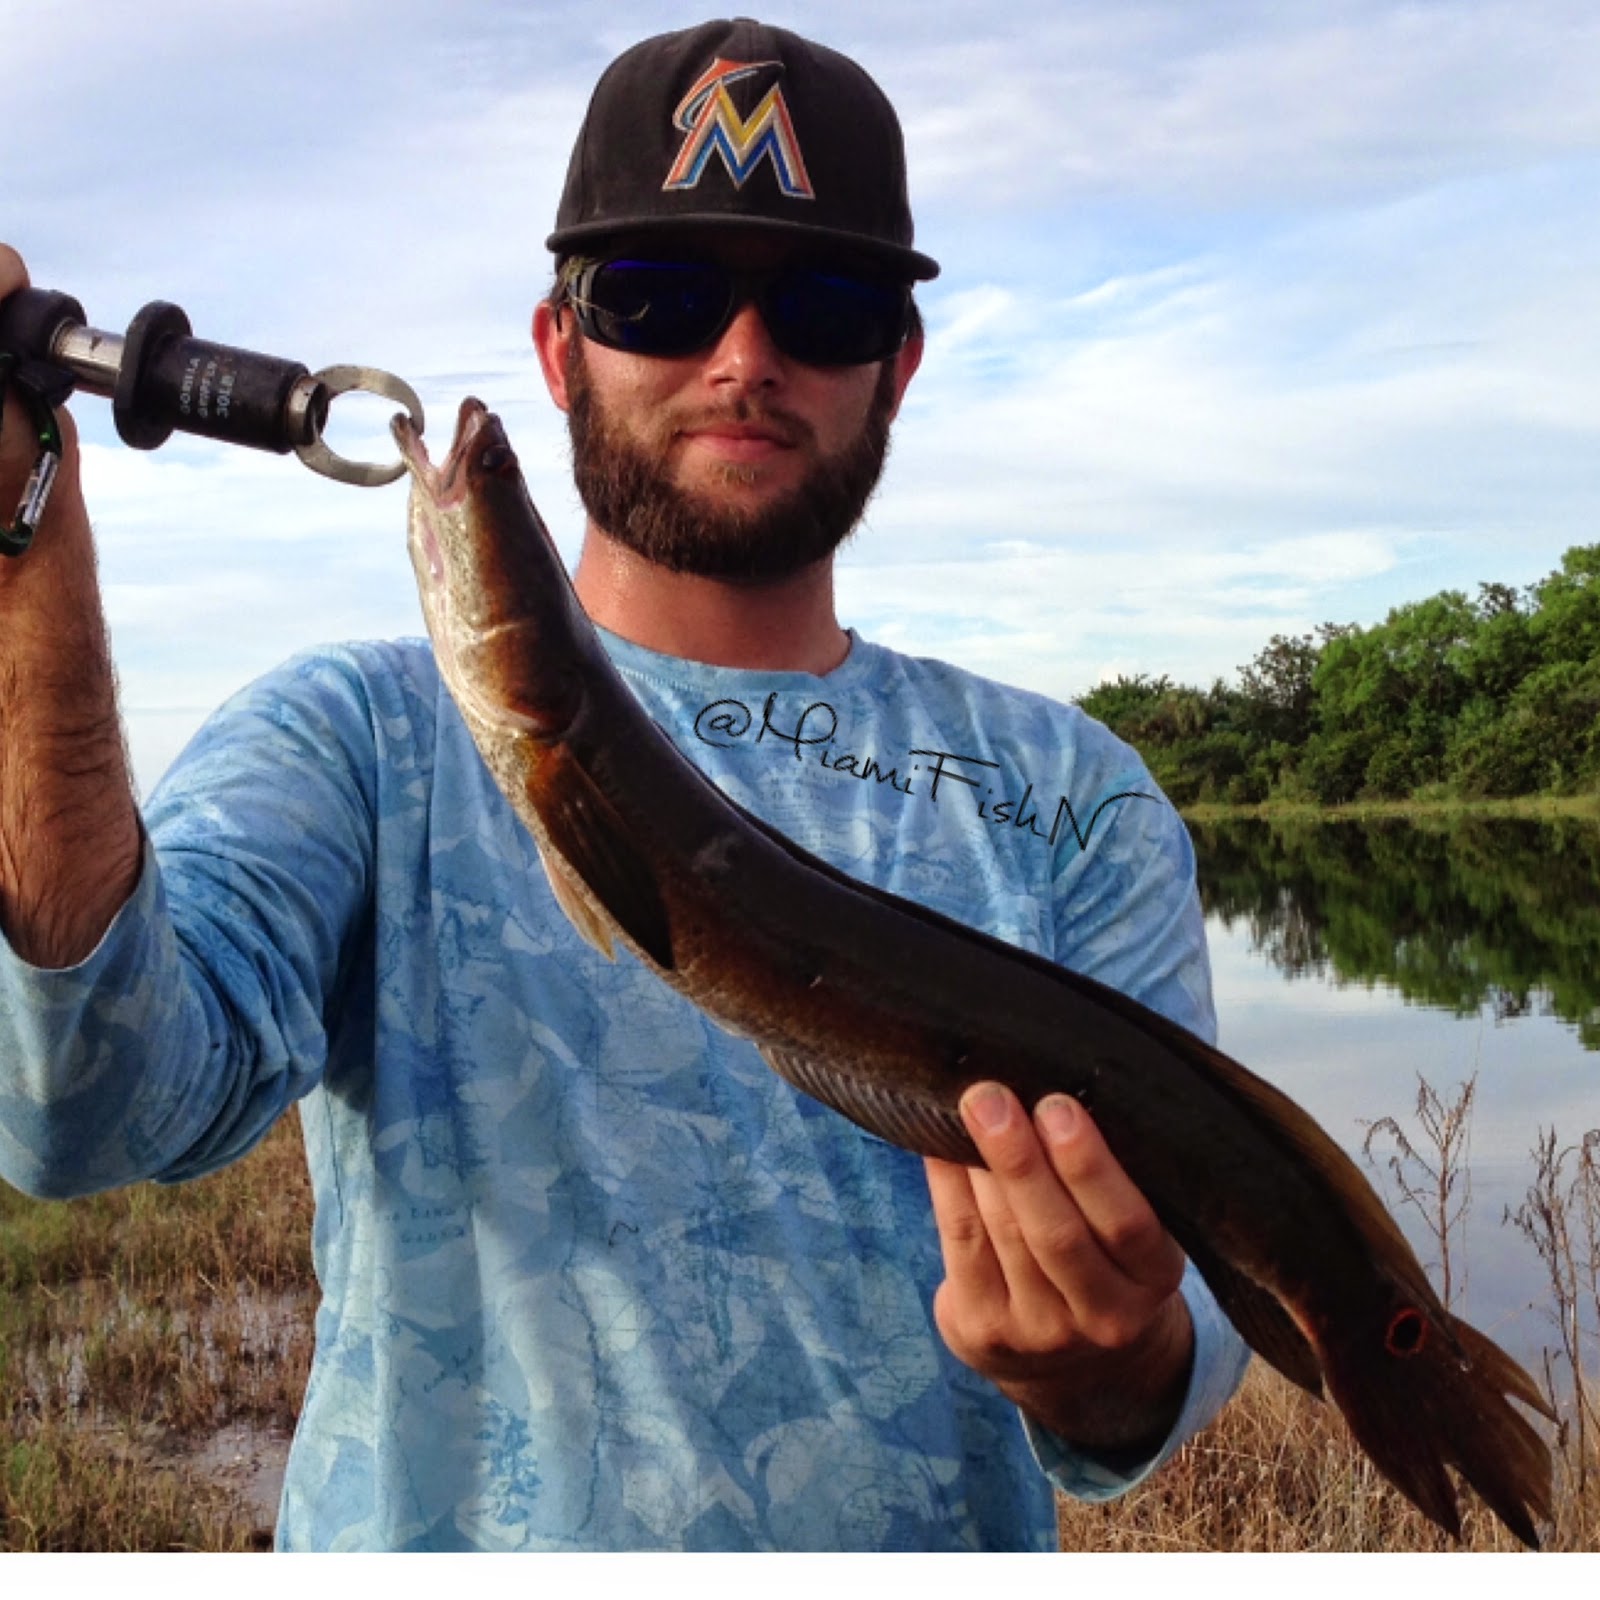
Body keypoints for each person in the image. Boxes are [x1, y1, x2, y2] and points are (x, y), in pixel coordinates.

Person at [0, 18, 1247, 1551]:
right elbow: (77, 1108)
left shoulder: (1075, 799)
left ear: (898, 366)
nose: (743, 358)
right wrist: (23, 549)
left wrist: (1123, 1371)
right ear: (556, 347)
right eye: (659, 297)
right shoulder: (356, 737)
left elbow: (1190, 1318)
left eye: (827, 304)